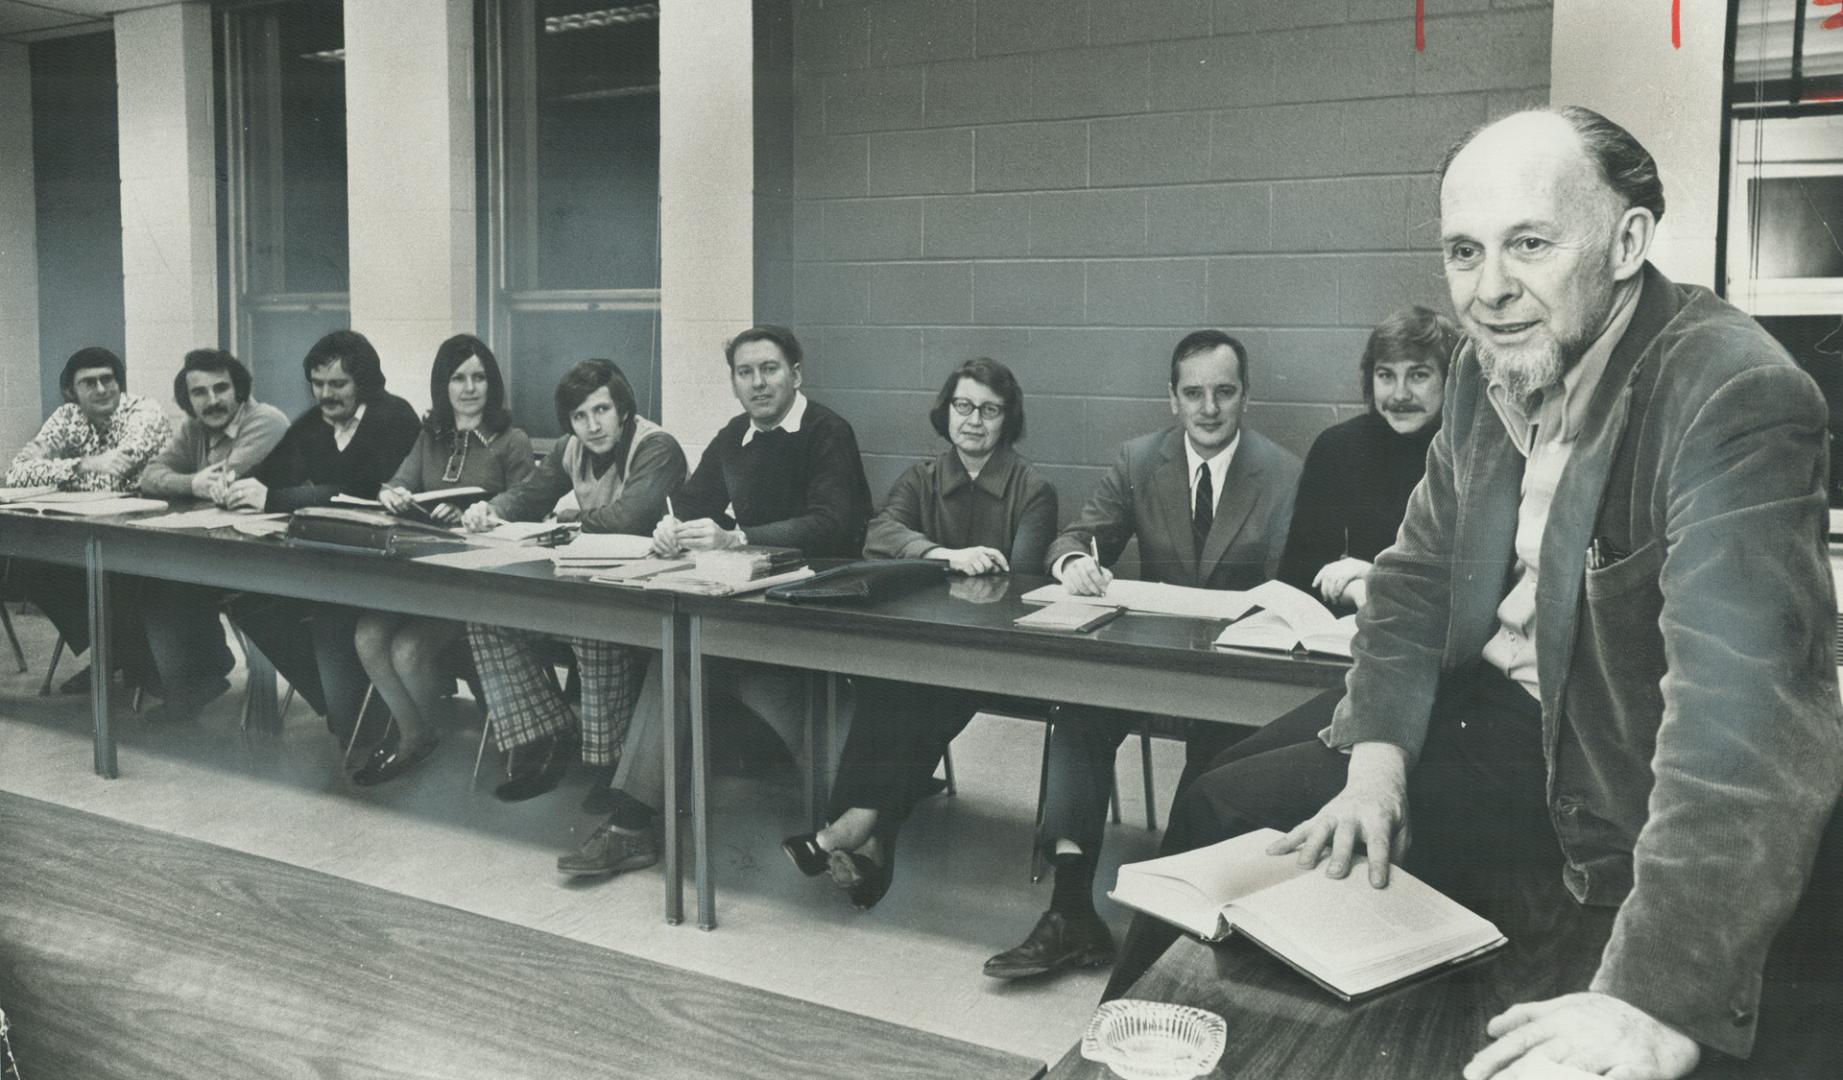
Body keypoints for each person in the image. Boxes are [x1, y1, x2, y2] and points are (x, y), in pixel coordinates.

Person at [1106, 108, 1843, 1080]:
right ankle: (1115, 1060)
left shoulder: (1732, 391)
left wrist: (1656, 1001)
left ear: (1627, 241)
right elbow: (1412, 577)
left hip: (1599, 764)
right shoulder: (1484, 367)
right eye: (1464, 251)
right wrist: (1375, 771)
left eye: (1529, 245)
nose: (1489, 291)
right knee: (1218, 807)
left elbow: (1741, 721)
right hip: (1487, 702)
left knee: (1248, 831)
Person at [984, 330, 1302, 981]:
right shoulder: (1138, 460)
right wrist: (1073, 560)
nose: (1208, 409)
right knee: (1076, 715)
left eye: (1223, 392)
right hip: (1149, 662)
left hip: (1233, 675)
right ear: (1171, 398)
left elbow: (1288, 588)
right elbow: (1077, 535)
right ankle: (1070, 910)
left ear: (1246, 395)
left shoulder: (1283, 473)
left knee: (1216, 763)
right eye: (1193, 394)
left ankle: (1175, 927)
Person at [556, 324, 874, 880]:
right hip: (752, 606)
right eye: (745, 373)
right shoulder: (734, 437)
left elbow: (832, 524)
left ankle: (848, 821)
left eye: (770, 369)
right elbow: (689, 502)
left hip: (821, 615)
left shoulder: (827, 432)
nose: (758, 383)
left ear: (796, 374)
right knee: (676, 653)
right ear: (733, 383)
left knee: (728, 676)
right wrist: (668, 531)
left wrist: (737, 537)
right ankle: (632, 828)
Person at [780, 357, 1057, 909]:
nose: (974, 420)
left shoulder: (1034, 489)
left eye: (990, 410)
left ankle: (847, 825)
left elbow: (1019, 581)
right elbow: (879, 532)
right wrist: (945, 555)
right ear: (945, 411)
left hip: (993, 656)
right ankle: (872, 837)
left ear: (1008, 419)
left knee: (908, 688)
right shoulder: (922, 477)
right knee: (895, 683)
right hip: (922, 651)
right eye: (963, 406)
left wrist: (939, 572)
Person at [463, 359, 685, 800]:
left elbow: (631, 517)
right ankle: (549, 735)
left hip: (655, 593)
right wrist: (493, 511)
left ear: (622, 409)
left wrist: (566, 519)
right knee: (486, 617)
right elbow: (531, 494)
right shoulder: (571, 446)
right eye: (579, 416)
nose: (592, 426)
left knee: (591, 630)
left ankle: (612, 765)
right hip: (590, 580)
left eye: (601, 411)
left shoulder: (657, 446)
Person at [347, 335, 536, 784]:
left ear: (492, 385)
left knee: (408, 649)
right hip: (422, 576)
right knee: (368, 634)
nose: (470, 388)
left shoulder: (512, 440)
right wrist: (393, 495)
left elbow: (531, 504)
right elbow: (398, 483)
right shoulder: (430, 436)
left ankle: (422, 736)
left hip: (479, 585)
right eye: (458, 378)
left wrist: (482, 512)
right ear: (443, 386)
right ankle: (415, 732)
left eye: (479, 377)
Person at [223, 330, 421, 750]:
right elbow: (272, 471)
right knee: (250, 603)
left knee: (328, 618)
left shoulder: (394, 416)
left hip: (382, 571)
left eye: (338, 384)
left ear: (363, 382)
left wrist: (273, 498)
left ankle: (359, 712)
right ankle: (345, 704)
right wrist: (237, 485)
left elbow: (366, 492)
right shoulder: (314, 423)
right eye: (317, 384)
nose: (325, 395)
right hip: (327, 564)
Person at [4, 346, 171, 692]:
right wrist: (82, 464)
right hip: (89, 530)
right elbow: (17, 472)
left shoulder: (143, 412)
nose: (101, 389)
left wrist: (57, 472)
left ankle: (127, 658)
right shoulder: (67, 417)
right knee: (32, 567)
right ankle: (118, 652)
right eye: (89, 382)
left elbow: (115, 475)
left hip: (145, 533)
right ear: (72, 391)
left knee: (113, 577)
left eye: (108, 379)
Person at [135, 348, 289, 722]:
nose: (213, 400)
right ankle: (191, 681)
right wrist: (191, 482)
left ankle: (200, 678)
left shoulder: (266, 420)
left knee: (168, 582)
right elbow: (149, 476)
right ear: (188, 400)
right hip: (213, 548)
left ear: (239, 389)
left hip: (271, 559)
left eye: (221, 388)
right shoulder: (194, 428)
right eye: (199, 393)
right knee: (143, 580)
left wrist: (191, 485)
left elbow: (224, 481)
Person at [1276, 306, 1458, 612]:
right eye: (1386, 375)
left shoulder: (1472, 453)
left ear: (1450, 379)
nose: (1400, 394)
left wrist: (1374, 578)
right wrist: (1357, 590)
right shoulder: (1337, 447)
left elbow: (1466, 586)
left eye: (1418, 375)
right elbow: (1296, 575)